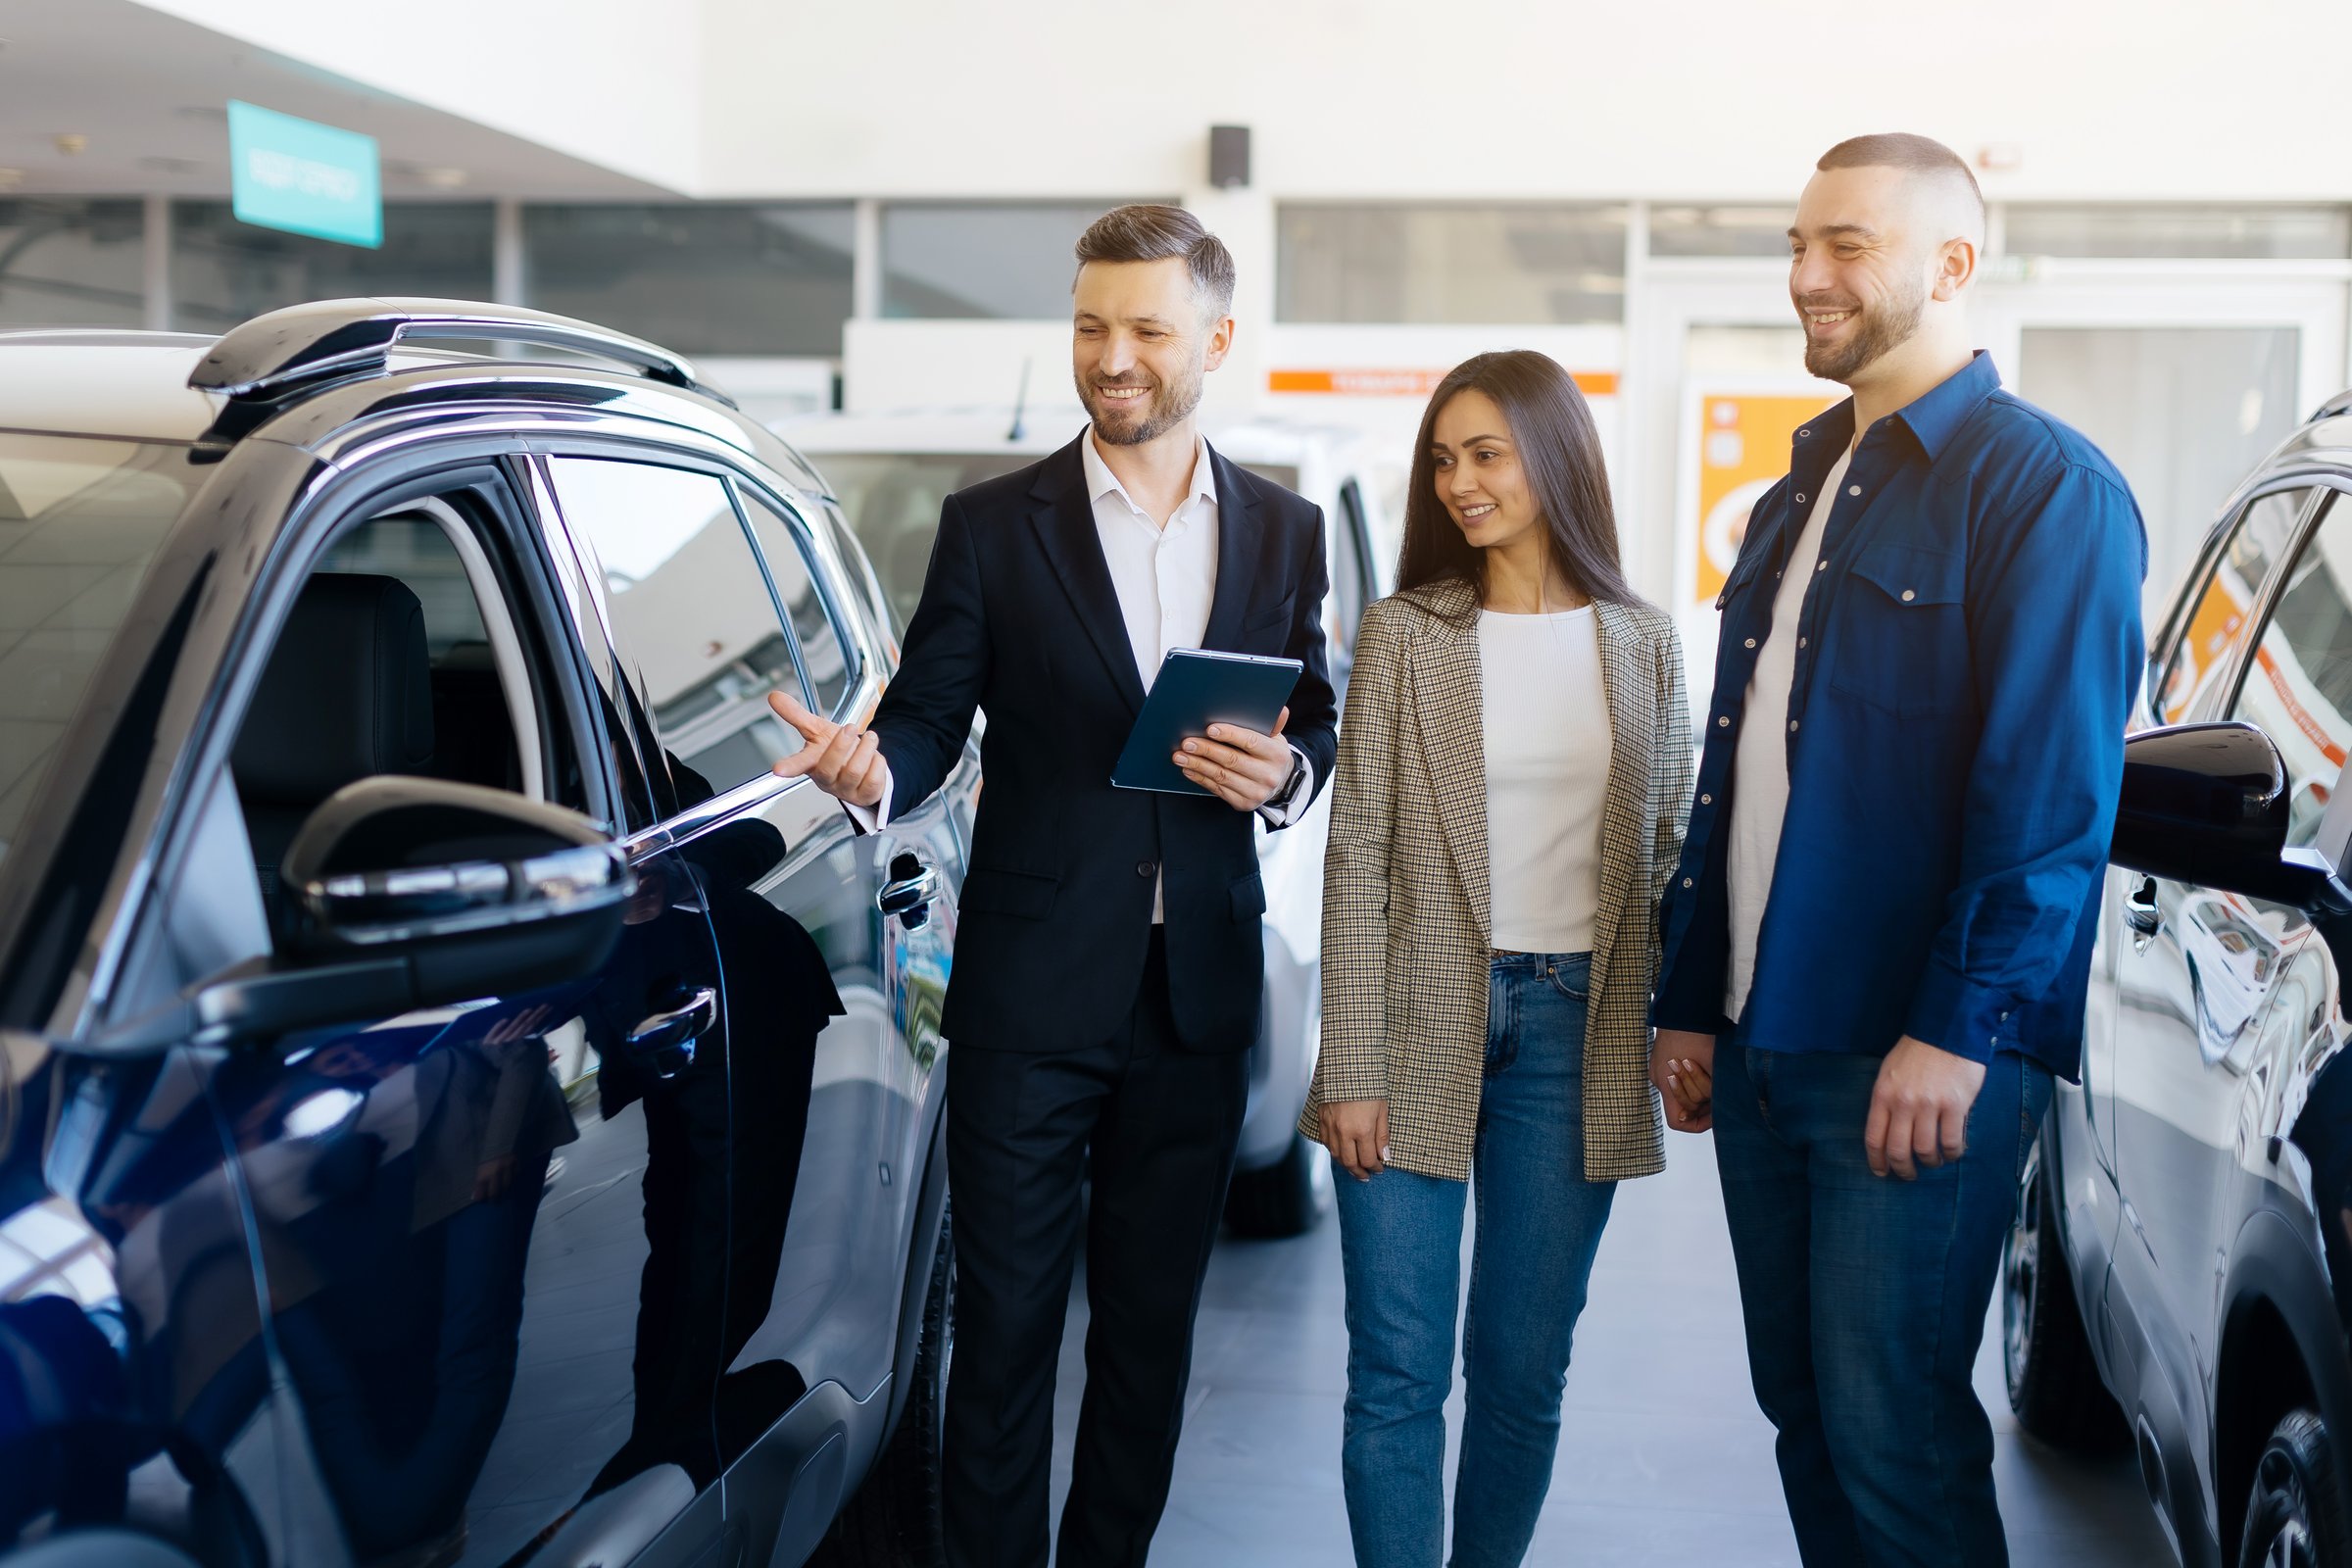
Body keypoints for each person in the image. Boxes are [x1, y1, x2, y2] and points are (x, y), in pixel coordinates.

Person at [763, 204, 1339, 1568]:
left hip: (1196, 991)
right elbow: (924, 722)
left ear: (1215, 339)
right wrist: (869, 769)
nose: (1113, 356)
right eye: (1091, 327)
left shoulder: (1282, 531)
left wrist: (1288, 779)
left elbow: (1313, 715)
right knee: (1009, 1334)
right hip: (1030, 999)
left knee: (1147, 1343)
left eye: (1145, 329)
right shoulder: (991, 527)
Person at [1649, 132, 2146, 1567]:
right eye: (1798, 245)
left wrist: (1958, 1030)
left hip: (1909, 1059)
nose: (1807, 275)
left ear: (1951, 264)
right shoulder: (1802, 486)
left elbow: (2050, 804)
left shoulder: (2044, 490)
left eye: (1846, 245)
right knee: (1803, 1411)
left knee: (1897, 1437)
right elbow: (1738, 768)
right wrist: (1692, 996)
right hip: (1761, 1038)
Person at [1302, 349, 1691, 1568]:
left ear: (1555, 454)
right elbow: (1357, 848)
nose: (1460, 482)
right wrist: (1348, 1063)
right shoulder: (1407, 633)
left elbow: (1672, 845)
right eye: (1443, 459)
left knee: (1524, 1369)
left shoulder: (1643, 641)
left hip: (1576, 1029)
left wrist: (1689, 1029)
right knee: (1397, 1368)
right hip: (1415, 1019)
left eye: (1486, 453)